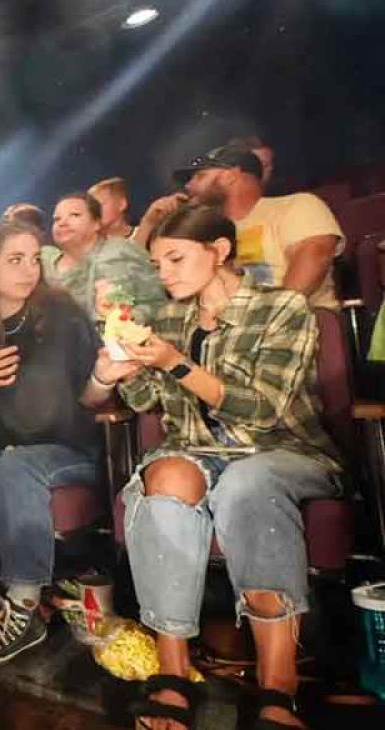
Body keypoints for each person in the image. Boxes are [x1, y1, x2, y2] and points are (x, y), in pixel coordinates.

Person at [97, 205, 337, 730]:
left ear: (220, 251)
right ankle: (173, 672)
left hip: (281, 452)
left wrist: (173, 362)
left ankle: (279, 684)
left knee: (247, 484)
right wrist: (118, 365)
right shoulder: (168, 319)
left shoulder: (282, 308)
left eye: (176, 259)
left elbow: (265, 408)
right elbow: (144, 400)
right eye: (157, 264)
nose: (165, 274)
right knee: (166, 477)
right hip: (199, 452)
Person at [0, 220, 118, 668]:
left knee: (15, 469)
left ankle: (25, 608)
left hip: (65, 448)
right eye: (16, 259)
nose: (30, 269)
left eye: (35, 258)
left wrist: (104, 377)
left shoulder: (63, 317)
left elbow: (90, 399)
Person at [139, 143, 342, 308]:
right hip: (227, 333)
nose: (188, 186)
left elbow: (315, 255)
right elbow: (145, 275)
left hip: (303, 329)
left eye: (200, 176)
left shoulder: (296, 206)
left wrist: (272, 316)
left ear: (230, 176)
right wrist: (150, 224)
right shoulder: (203, 232)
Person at [42, 192, 167, 324]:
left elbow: (153, 304)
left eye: (74, 215)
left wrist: (122, 320)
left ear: (96, 223)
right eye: (56, 219)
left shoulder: (118, 253)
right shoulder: (43, 263)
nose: (63, 223)